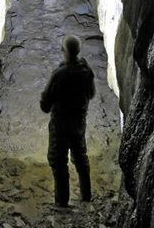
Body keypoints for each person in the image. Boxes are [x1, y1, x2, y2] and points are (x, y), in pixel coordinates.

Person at [40, 34, 95, 207]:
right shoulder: (86, 70)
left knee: (58, 160)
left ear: (64, 51)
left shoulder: (59, 73)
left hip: (60, 125)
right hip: (79, 122)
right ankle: (86, 195)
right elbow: (91, 94)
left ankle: (62, 201)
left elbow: (45, 104)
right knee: (80, 157)